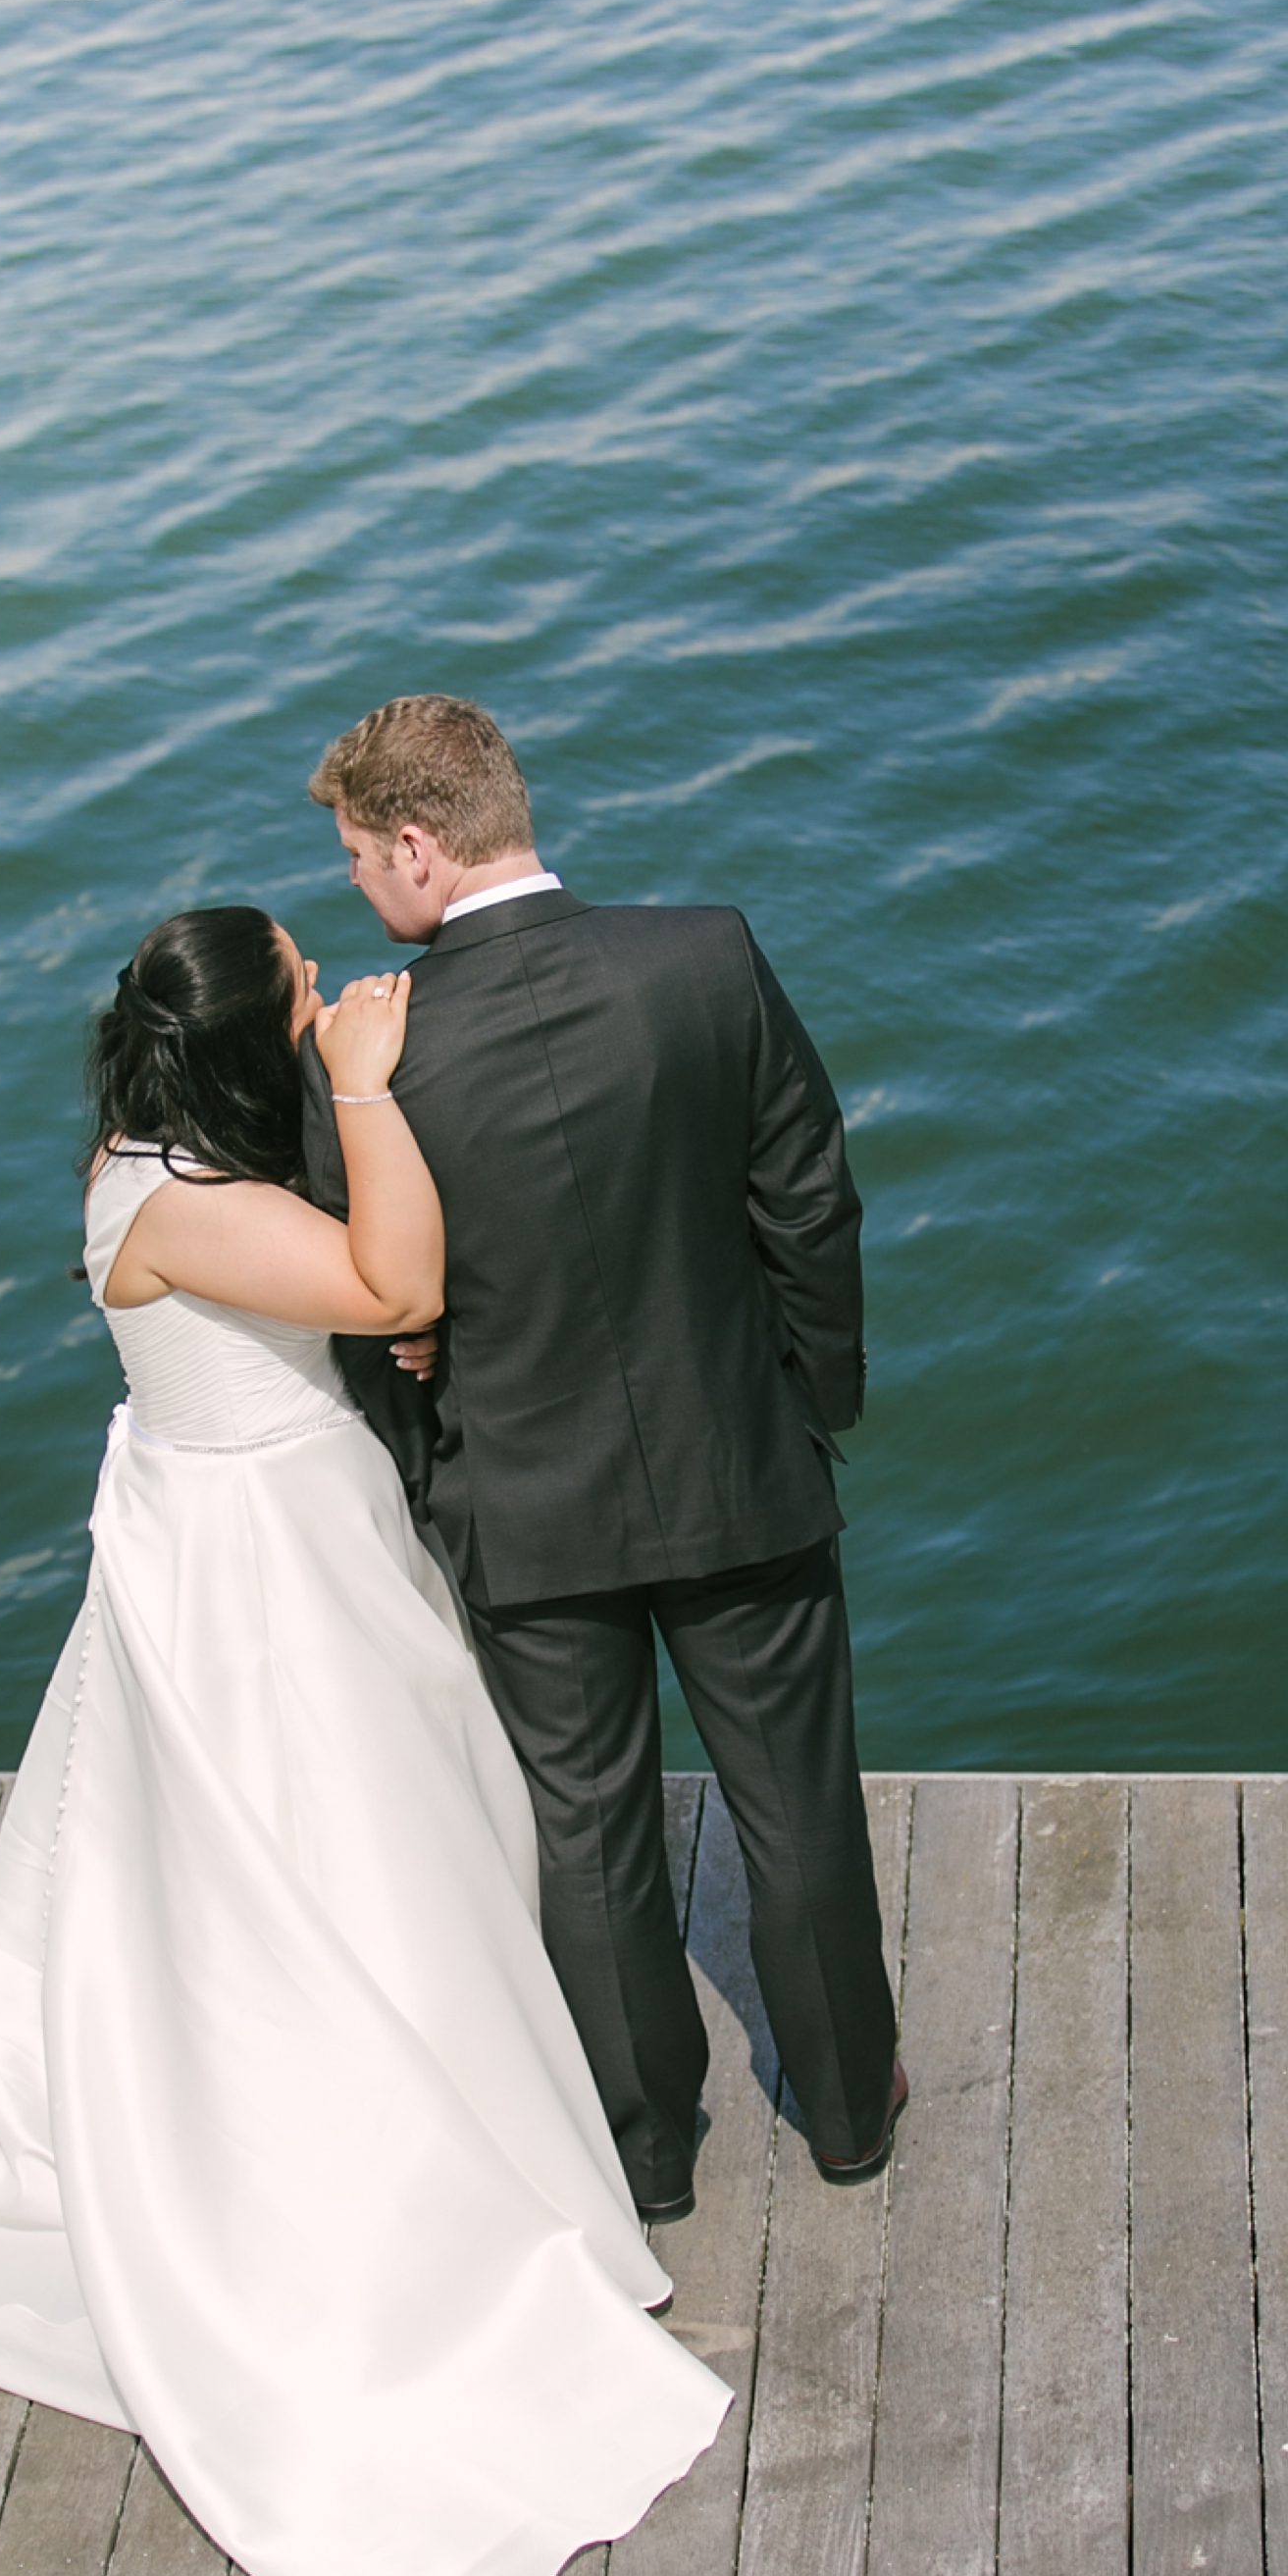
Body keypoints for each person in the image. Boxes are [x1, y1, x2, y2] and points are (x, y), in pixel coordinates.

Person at [0, 906, 731, 2576]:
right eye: (305, 984)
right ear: (254, 1034)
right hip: (260, 1563)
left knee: (349, 1838)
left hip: (226, 1510)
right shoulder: (190, 1204)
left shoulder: (149, 1156)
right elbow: (397, 1289)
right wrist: (369, 1084)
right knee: (333, 1854)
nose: (328, 994)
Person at [301, 696, 906, 2222]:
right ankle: (846, 2111)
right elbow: (810, 1203)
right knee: (799, 1803)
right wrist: (811, 1399)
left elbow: (374, 1302)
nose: (362, 894)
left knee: (589, 1835)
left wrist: (431, 1447)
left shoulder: (366, 1062)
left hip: (522, 1500)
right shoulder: (705, 956)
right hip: (742, 1466)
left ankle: (648, 2148)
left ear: (421, 847)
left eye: (363, 863)